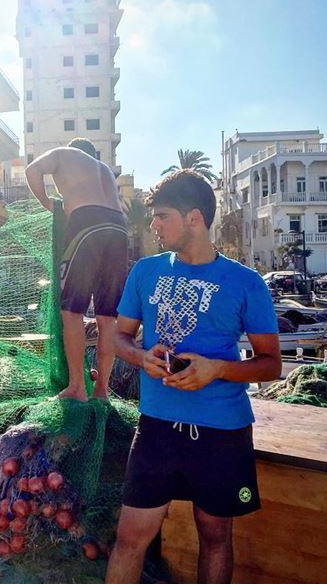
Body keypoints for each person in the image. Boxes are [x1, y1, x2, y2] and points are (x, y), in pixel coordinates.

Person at [105, 170, 281, 584]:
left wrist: (217, 368)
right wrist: (142, 356)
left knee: (216, 536)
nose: (154, 225)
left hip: (223, 430)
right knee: (130, 537)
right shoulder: (145, 272)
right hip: (157, 427)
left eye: (162, 216)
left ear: (194, 219)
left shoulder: (246, 283)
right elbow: (120, 338)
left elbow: (271, 363)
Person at [25, 137, 128, 401]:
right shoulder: (104, 170)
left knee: (72, 312)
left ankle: (76, 388)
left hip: (87, 224)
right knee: (107, 318)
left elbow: (31, 170)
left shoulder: (63, 153)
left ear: (74, 150)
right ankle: (102, 390)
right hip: (118, 230)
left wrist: (48, 203)